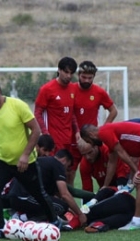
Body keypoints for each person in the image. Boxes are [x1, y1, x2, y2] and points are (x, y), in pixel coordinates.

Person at [0, 77, 57, 240]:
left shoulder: (17, 106)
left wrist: (25, 155)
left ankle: (55, 221)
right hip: (2, 161)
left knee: (39, 194)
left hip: (25, 162)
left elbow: (36, 130)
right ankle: (0, 228)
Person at [80, 121, 140, 231]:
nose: (92, 144)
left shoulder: (104, 132)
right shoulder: (108, 134)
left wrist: (136, 170)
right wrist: (105, 185)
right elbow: (112, 162)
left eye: (89, 141)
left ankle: (137, 221)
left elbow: (121, 152)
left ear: (90, 134)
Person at [67, 61, 119, 185]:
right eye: (83, 77)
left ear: (94, 77)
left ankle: (102, 198)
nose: (86, 80)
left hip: (91, 141)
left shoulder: (99, 92)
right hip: (72, 138)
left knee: (99, 170)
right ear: (78, 75)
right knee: (69, 174)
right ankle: (68, 204)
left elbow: (113, 111)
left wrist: (102, 130)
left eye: (90, 78)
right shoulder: (70, 90)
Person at [3, 149, 87, 225]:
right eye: (67, 168)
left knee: (56, 205)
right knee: (61, 207)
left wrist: (72, 211)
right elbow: (65, 194)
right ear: (65, 160)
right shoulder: (58, 165)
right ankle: (21, 218)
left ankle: (15, 213)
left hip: (13, 198)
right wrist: (80, 214)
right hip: (24, 197)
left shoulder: (42, 162)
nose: (66, 172)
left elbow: (54, 197)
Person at [34, 57, 79, 185]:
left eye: (71, 73)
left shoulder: (73, 89)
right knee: (52, 176)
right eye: (66, 72)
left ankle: (66, 204)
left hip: (68, 140)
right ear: (59, 70)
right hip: (53, 142)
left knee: (68, 174)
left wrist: (77, 132)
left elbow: (72, 113)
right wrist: (45, 133)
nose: (69, 76)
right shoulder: (47, 89)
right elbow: (37, 112)